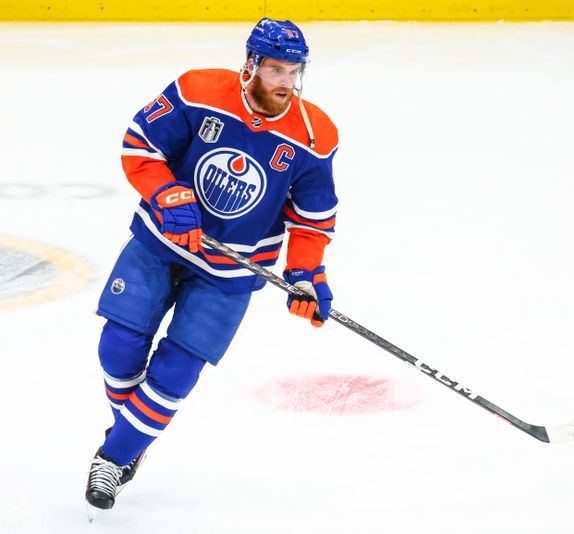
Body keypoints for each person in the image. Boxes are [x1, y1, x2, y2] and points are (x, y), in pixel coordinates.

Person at [84, 17, 339, 516]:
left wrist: (307, 272)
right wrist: (166, 192)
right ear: (250, 65)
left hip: (229, 274)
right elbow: (141, 146)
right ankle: (133, 434)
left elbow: (312, 216)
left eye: (294, 71)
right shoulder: (197, 90)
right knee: (117, 348)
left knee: (174, 376)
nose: (286, 82)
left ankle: (115, 457)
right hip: (161, 243)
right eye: (276, 70)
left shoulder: (314, 134)